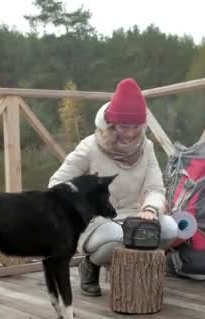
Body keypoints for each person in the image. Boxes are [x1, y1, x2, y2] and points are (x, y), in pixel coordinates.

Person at [48, 77, 178, 296]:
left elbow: (155, 187)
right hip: (95, 222)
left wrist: (150, 209)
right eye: (124, 126)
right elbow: (56, 185)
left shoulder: (147, 147)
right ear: (111, 123)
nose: (129, 133)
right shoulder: (89, 147)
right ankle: (91, 264)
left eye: (135, 126)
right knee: (118, 236)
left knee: (169, 230)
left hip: (132, 216)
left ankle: (138, 278)